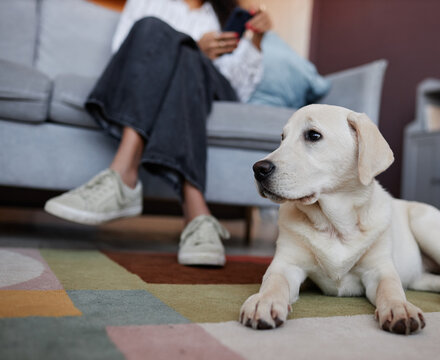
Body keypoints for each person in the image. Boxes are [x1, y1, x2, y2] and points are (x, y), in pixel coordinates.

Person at [44, 0, 272, 267]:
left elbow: (238, 90)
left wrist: (256, 41)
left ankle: (122, 177)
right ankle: (197, 216)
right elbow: (129, 58)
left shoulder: (224, 16)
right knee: (159, 34)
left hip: (210, 87)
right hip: (165, 82)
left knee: (189, 57)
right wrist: (192, 48)